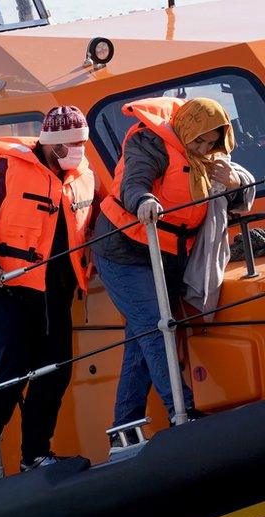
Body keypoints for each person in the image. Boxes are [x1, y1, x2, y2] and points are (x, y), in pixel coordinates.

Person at [92, 97, 255, 453]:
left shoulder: (210, 159)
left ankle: (123, 430)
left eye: (211, 143)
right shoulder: (148, 143)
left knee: (141, 338)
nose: (203, 148)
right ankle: (182, 413)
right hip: (124, 253)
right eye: (198, 141)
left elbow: (240, 196)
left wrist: (233, 183)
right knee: (158, 327)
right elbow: (133, 182)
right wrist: (145, 201)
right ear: (186, 128)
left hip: (165, 257)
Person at [0, 106, 95, 478]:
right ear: (52, 144)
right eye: (72, 143)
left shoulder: (83, 175)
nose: (79, 150)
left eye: (82, 143)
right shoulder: (7, 169)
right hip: (11, 287)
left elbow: (92, 217)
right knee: (13, 368)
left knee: (55, 372)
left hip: (57, 290)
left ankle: (35, 453)